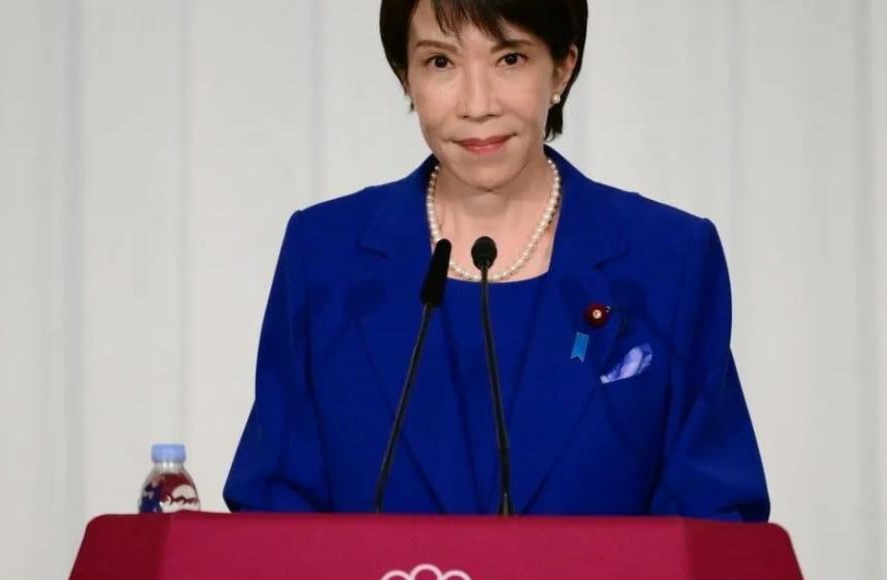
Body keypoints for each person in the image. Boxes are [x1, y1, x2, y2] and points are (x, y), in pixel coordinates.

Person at [224, 0, 769, 520]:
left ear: (561, 69)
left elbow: (715, 519)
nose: (477, 103)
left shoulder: (668, 259)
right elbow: (273, 511)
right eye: (441, 62)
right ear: (405, 76)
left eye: (510, 58)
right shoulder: (326, 255)